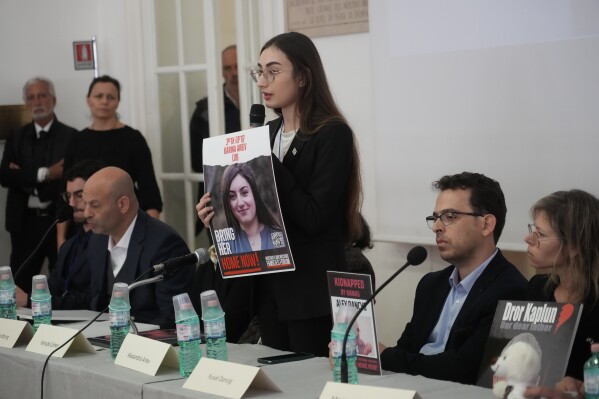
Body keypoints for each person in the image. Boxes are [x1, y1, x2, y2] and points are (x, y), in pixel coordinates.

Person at [197, 32, 364, 357]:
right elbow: (253, 218)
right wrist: (214, 218)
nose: (263, 81)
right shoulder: (267, 133)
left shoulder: (332, 134)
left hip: (310, 293)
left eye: (273, 71)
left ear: (303, 76)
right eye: (259, 71)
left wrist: (265, 162)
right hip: (267, 290)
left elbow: (314, 217)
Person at [379, 172, 528, 384]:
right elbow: (406, 350)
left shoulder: (511, 290)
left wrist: (384, 356)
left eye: (449, 217)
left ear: (486, 225)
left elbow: (463, 369)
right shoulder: (430, 285)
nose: (437, 227)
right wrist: (368, 354)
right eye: (435, 217)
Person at [83, 166, 192, 328]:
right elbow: (96, 302)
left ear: (123, 204)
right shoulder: (96, 241)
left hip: (150, 347)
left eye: (95, 205)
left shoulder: (165, 244)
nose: (86, 213)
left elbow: (172, 319)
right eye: (85, 204)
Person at [0, 77, 76, 291]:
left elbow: (68, 180)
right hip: (24, 223)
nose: (37, 101)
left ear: (54, 99)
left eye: (42, 95)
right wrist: (47, 173)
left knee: (64, 283)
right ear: (26, 103)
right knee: (19, 284)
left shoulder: (71, 136)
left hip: (58, 221)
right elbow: (5, 176)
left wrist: (23, 175)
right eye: (31, 97)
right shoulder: (16, 136)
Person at [523, 190, 599, 382]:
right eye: (533, 230)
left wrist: (580, 388)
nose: (528, 239)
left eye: (539, 234)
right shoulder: (537, 288)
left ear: (574, 246)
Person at [63, 75, 162, 218]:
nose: (104, 101)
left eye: (110, 97)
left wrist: (153, 234)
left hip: (125, 218)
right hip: (83, 221)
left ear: (118, 101)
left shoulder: (133, 138)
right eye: (99, 96)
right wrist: (61, 237)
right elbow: (65, 189)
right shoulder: (77, 140)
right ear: (88, 100)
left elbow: (149, 190)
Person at [15, 159, 104, 310]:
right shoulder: (69, 246)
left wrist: (30, 301)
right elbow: (52, 289)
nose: (71, 204)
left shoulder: (109, 243)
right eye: (68, 196)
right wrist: (24, 297)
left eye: (79, 195)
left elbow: (93, 299)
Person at [190, 45, 241, 236]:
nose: (234, 73)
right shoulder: (206, 110)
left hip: (257, 187)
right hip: (219, 195)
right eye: (228, 68)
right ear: (220, 71)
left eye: (237, 66)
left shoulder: (263, 100)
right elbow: (197, 161)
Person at [220, 162, 283, 253]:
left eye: (244, 193)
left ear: (254, 194)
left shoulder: (278, 236)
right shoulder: (225, 243)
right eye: (232, 196)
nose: (240, 203)